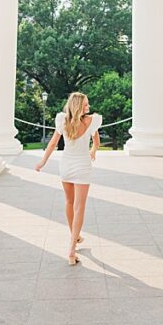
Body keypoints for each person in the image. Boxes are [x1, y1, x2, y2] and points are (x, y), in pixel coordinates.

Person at [35, 92, 101, 266]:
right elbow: (96, 141)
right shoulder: (92, 121)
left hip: (66, 166)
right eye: (85, 104)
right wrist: (93, 150)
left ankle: (74, 236)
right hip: (82, 166)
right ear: (78, 106)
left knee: (69, 202)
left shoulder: (62, 120)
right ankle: (71, 250)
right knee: (79, 207)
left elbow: (52, 143)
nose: (88, 107)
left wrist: (43, 162)